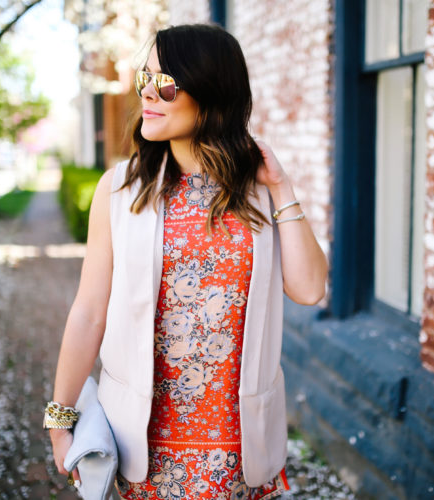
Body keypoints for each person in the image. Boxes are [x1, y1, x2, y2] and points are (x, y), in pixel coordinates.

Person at [46, 23, 327, 499]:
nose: (147, 96)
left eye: (166, 84)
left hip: (239, 448)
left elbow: (309, 288)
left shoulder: (259, 192)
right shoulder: (118, 191)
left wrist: (282, 188)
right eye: (144, 80)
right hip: (147, 449)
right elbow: (90, 310)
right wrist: (60, 416)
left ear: (211, 92)